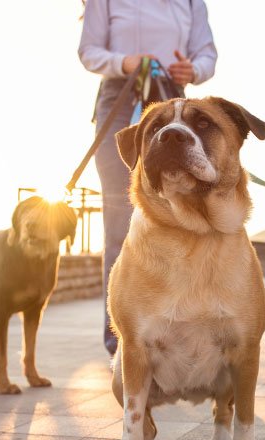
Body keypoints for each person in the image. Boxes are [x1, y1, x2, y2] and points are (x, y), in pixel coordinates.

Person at [78, 0, 218, 356]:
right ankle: (121, 337)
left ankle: (177, 328)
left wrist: (193, 70)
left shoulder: (190, 2)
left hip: (174, 102)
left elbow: (207, 56)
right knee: (119, 220)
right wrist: (123, 62)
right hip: (120, 100)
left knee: (180, 215)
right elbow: (88, 51)